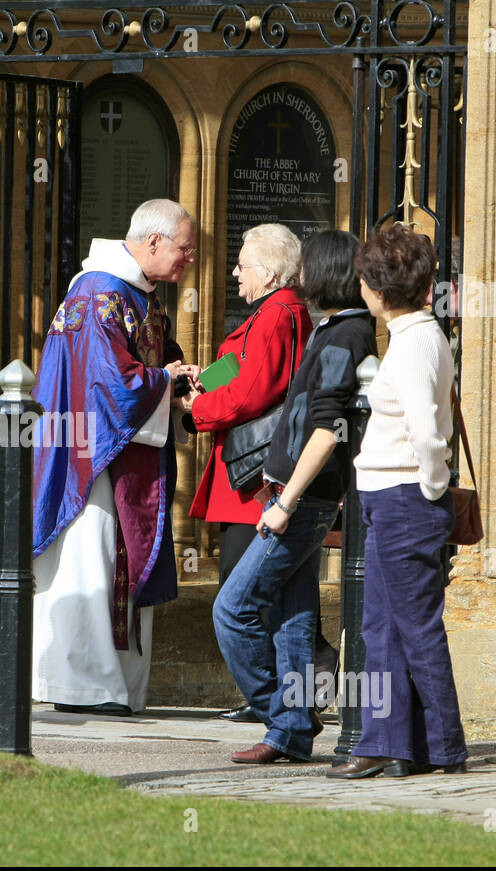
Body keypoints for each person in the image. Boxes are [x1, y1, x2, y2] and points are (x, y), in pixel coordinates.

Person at [26, 198, 197, 716]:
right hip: (90, 455)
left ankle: (112, 685)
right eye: (184, 249)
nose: (189, 260)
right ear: (152, 242)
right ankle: (82, 684)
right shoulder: (98, 292)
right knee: (90, 558)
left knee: (115, 560)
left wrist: (180, 374)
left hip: (125, 448)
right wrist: (165, 380)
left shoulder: (142, 296)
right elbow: (106, 380)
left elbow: (152, 358)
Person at [213, 229, 377, 764]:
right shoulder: (331, 328)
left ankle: (286, 716)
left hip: (300, 502)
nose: (299, 273)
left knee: (233, 610)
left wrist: (285, 504)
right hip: (291, 494)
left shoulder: (346, 335)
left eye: (308, 264)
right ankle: (290, 736)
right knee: (293, 621)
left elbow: (328, 427)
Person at [328, 224, 469, 778]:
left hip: (406, 498)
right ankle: (391, 743)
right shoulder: (415, 335)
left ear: (375, 289)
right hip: (394, 498)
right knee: (382, 628)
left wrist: (432, 487)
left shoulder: (413, 344)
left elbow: (427, 434)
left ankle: (444, 746)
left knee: (415, 627)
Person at [179, 223, 313, 722]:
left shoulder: (278, 313)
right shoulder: (272, 312)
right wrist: (203, 379)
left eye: (242, 264)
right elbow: (241, 366)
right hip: (245, 474)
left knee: (244, 589)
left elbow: (255, 390)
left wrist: (199, 410)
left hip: (252, 480)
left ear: (271, 272)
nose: (234, 273)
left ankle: (275, 699)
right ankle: (286, 692)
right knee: (263, 588)